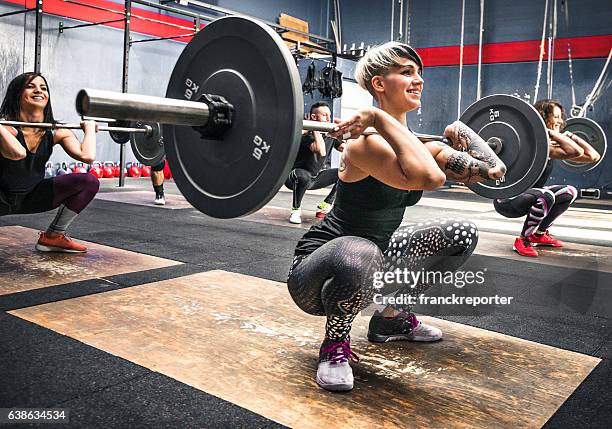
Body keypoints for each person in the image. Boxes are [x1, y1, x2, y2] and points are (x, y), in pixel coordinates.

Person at [286, 42, 506, 391]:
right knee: (360, 250)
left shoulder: (423, 146)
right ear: (379, 84)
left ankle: (390, 321)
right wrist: (375, 118)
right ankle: (334, 346)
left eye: (419, 73)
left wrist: (465, 131)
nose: (418, 80)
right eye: (406, 72)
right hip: (316, 276)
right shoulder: (363, 145)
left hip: (374, 261)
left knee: (461, 232)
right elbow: (430, 178)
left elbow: (494, 170)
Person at [0, 72, 99, 253]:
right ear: (17, 94)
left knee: (88, 182)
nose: (39, 90)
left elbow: (87, 156)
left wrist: (90, 128)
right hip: (1, 197)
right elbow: (17, 153)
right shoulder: (5, 128)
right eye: (30, 86)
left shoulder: (57, 131)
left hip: (31, 197)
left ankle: (53, 237)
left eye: (43, 88)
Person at [493, 99, 600, 257]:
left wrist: (569, 135)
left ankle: (539, 234)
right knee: (546, 195)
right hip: (507, 199)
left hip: (530, 194)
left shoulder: (551, 145)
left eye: (560, 117)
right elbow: (575, 152)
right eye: (556, 116)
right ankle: (523, 240)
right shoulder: (538, 144)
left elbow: (593, 156)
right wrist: (550, 132)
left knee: (569, 192)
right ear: (543, 118)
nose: (560, 121)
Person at [284, 101, 344, 224]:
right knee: (303, 176)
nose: (328, 119)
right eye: (324, 115)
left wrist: (345, 131)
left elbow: (347, 149)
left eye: (329, 115)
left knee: (345, 173)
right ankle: (296, 211)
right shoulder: (306, 136)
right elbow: (321, 151)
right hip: (294, 178)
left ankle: (325, 205)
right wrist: (314, 127)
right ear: (313, 117)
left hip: (315, 179)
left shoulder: (330, 135)